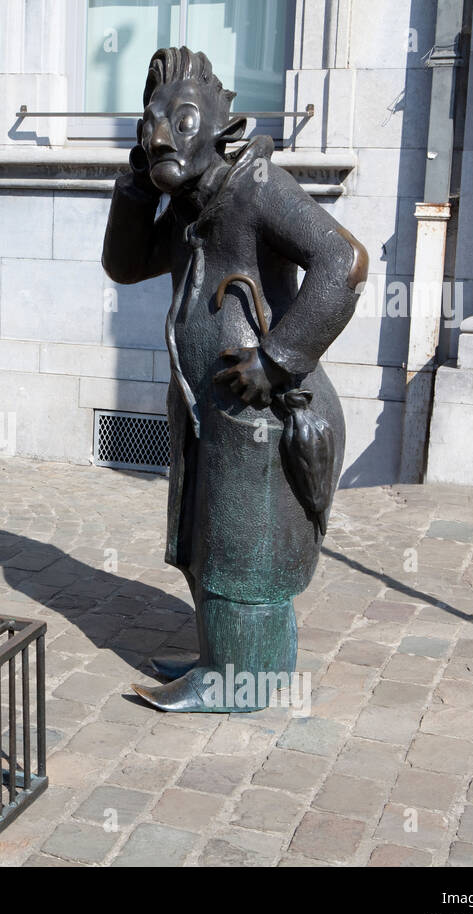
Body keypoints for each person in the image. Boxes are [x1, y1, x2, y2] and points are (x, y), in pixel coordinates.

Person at [102, 48, 367, 712]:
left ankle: (236, 682)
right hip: (207, 412)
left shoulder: (252, 188)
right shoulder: (192, 206)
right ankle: (236, 662)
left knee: (243, 551)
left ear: (222, 124)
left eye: (183, 118)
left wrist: (278, 359)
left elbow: (345, 261)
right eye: (151, 124)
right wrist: (137, 185)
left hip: (258, 412)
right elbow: (125, 263)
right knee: (206, 544)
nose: (161, 134)